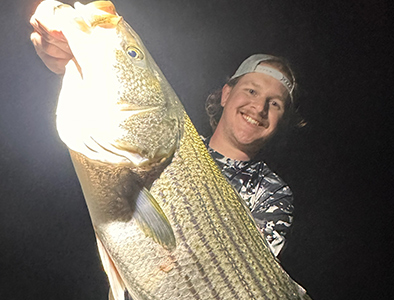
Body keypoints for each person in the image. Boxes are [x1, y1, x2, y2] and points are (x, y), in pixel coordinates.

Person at [30, 11, 297, 258]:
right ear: (226, 94)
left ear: (281, 120)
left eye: (275, 104)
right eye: (251, 90)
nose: (259, 107)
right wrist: (70, 55)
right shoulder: (176, 146)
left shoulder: (272, 192)